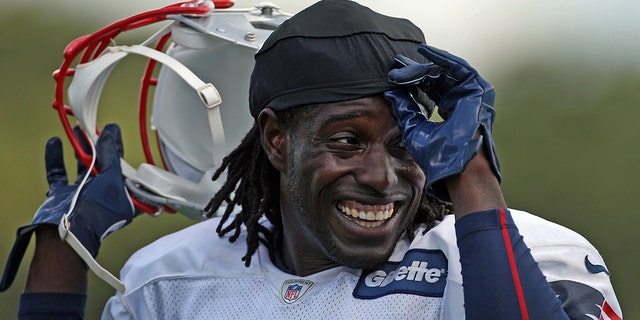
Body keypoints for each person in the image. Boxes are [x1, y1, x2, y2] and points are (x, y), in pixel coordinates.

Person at [1, 0, 622, 319]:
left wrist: (477, 183)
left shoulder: (532, 256)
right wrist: (62, 258)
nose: (382, 178)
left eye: (406, 143)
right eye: (347, 142)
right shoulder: (170, 280)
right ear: (276, 140)